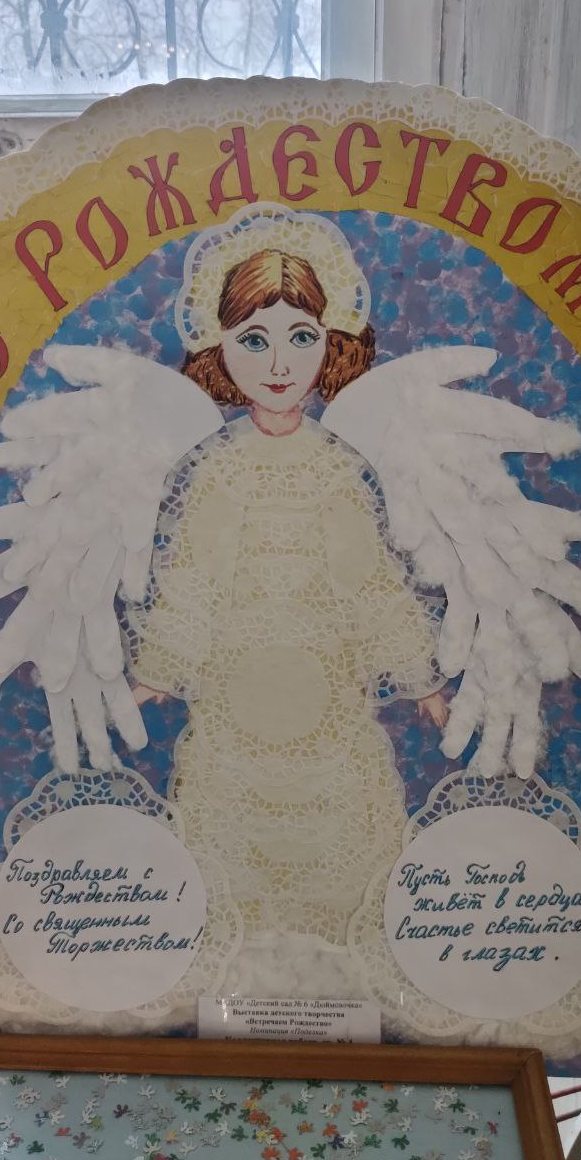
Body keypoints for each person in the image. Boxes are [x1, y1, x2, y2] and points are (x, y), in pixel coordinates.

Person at [128, 245, 447, 980]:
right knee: (231, 833)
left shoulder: (337, 466)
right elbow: (193, 576)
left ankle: (336, 978)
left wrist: (420, 678)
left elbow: (371, 582)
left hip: (328, 697)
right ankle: (240, 983)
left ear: (329, 344)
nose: (279, 364)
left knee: (338, 832)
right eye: (254, 340)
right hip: (235, 696)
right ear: (221, 348)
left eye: (301, 337)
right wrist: (159, 671)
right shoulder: (217, 467)